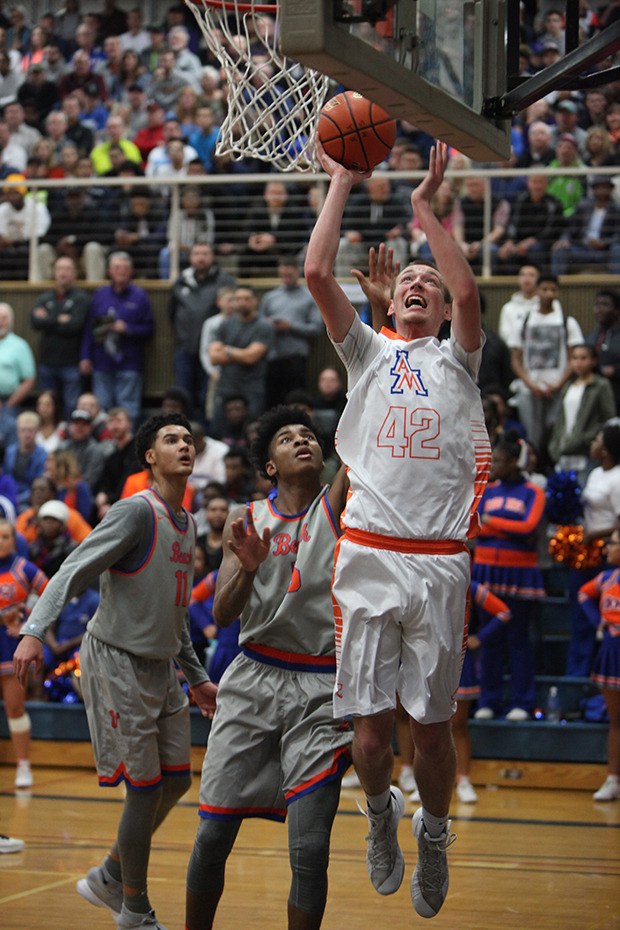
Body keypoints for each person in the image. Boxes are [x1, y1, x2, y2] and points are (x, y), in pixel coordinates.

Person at [304, 142, 491, 918]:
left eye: (429, 284)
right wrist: (344, 180)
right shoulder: (368, 354)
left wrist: (425, 211)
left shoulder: (459, 360)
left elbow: (471, 288)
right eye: (406, 282)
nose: (419, 285)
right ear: (388, 306)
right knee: (373, 741)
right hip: (372, 555)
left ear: (443, 310)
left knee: (435, 734)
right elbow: (318, 274)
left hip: (441, 564)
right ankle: (380, 818)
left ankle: (435, 834)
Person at [14, 413, 218, 930]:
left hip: (163, 666)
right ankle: (134, 907)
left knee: (176, 780)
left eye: (188, 439)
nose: (184, 446)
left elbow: (174, 614)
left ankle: (109, 874)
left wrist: (196, 676)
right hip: (116, 661)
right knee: (145, 787)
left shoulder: (187, 523)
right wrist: (35, 630)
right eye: (171, 440)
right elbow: (74, 567)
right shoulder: (136, 512)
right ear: (150, 456)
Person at [185, 405, 351, 930]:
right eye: (287, 438)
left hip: (322, 685)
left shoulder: (339, 504)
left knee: (309, 849)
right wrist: (247, 570)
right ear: (269, 466)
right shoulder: (248, 518)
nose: (302, 441)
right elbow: (223, 612)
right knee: (211, 835)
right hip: (254, 675)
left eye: (309, 436)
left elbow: (368, 413)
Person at [471, 432, 546, 721]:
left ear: (515, 462)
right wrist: (502, 526)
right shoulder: (487, 491)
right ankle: (489, 700)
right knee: (490, 639)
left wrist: (492, 522)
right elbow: (476, 526)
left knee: (518, 639)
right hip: (487, 571)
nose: (493, 466)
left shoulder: (534, 492)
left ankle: (522, 702)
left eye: (500, 460)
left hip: (521, 573)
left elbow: (529, 527)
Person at [508, 274, 584, 460]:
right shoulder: (524, 321)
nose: (549, 293)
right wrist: (531, 384)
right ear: (537, 291)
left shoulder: (567, 322)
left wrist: (558, 384)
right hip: (530, 389)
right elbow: (515, 359)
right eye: (544, 289)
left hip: (557, 388)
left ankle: (552, 469)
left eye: (553, 290)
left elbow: (575, 356)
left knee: (555, 432)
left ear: (558, 293)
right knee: (532, 435)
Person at [0, 518, 48, 789]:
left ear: (14, 539)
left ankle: (23, 765)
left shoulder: (23, 568)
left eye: (6, 536)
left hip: (11, 646)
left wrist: (28, 622)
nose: (1, 541)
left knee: (15, 706)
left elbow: (51, 594)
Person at [80, 251, 154, 425]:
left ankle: (129, 448)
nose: (120, 271)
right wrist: (85, 356)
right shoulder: (100, 295)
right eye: (116, 267)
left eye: (124, 268)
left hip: (129, 362)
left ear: (131, 271)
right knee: (102, 409)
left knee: (128, 410)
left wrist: (127, 328)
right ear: (109, 271)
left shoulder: (140, 296)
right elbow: (89, 329)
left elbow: (149, 329)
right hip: (101, 362)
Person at [169, 239, 236, 418]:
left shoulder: (225, 281)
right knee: (183, 395)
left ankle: (206, 436)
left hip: (214, 352)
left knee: (208, 397)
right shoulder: (182, 281)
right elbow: (172, 313)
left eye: (205, 254)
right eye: (197, 254)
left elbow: (232, 314)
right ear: (190, 257)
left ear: (212, 257)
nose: (201, 258)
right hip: (186, 348)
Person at [577, 530, 620, 802]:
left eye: (613, 543)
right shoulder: (606, 578)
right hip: (611, 650)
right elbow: (583, 594)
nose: (606, 548)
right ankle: (613, 778)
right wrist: (598, 622)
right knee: (616, 720)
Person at [29, 256, 90, 418]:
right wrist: (60, 319)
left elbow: (74, 325)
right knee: (46, 404)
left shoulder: (81, 298)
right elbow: (34, 322)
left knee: (71, 405)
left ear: (74, 274)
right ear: (54, 273)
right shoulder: (45, 297)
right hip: (47, 361)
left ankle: (68, 437)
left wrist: (48, 318)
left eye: (67, 269)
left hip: (71, 362)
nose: (63, 273)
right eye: (59, 269)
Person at [259, 257, 323, 409]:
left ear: (297, 271)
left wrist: (290, 326)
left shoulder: (309, 296)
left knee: (295, 401)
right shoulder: (270, 297)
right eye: (283, 272)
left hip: (296, 357)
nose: (286, 275)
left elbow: (317, 328)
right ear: (279, 272)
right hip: (272, 356)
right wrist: (269, 325)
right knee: (272, 402)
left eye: (290, 271)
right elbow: (259, 326)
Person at [547, 344, 616, 480]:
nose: (578, 363)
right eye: (575, 358)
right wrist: (554, 445)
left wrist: (586, 438)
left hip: (586, 452)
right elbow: (561, 419)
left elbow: (608, 419)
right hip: (563, 451)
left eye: (583, 358)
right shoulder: (568, 386)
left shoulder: (601, 385)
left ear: (593, 361)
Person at [0, 301, 36, 446]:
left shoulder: (19, 345)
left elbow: (29, 380)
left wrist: (8, 404)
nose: (1, 322)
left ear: (11, 321)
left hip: (11, 403)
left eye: (4, 318)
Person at [585, 288, 620, 413]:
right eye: (597, 305)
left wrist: (615, 370)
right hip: (592, 398)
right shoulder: (589, 337)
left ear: (617, 310)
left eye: (605, 305)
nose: (599, 309)